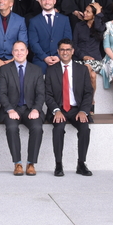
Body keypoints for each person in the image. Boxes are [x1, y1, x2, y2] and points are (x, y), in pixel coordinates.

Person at [44, 38, 93, 177]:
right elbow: (47, 95)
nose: (65, 52)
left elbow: (88, 93)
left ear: (72, 51)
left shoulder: (82, 69)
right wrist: (56, 110)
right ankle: (58, 164)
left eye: (68, 50)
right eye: (62, 50)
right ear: (58, 51)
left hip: (77, 109)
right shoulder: (51, 70)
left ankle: (81, 164)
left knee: (85, 128)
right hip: (59, 108)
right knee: (58, 128)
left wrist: (83, 111)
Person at [0, 41, 45, 176]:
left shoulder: (36, 70)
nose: (19, 53)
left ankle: (31, 163)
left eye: (22, 50)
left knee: (37, 128)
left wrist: (36, 109)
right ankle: (17, 163)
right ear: (12, 53)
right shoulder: (4, 70)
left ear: (27, 52)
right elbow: (1, 93)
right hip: (12, 109)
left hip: (30, 109)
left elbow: (41, 94)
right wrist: (9, 110)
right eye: (16, 50)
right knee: (12, 127)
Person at [27, 0, 72, 69]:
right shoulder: (33, 21)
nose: (47, 2)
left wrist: (59, 56)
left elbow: (67, 40)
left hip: (61, 58)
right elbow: (33, 43)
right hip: (40, 60)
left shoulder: (64, 19)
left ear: (54, 1)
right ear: (40, 2)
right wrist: (45, 57)